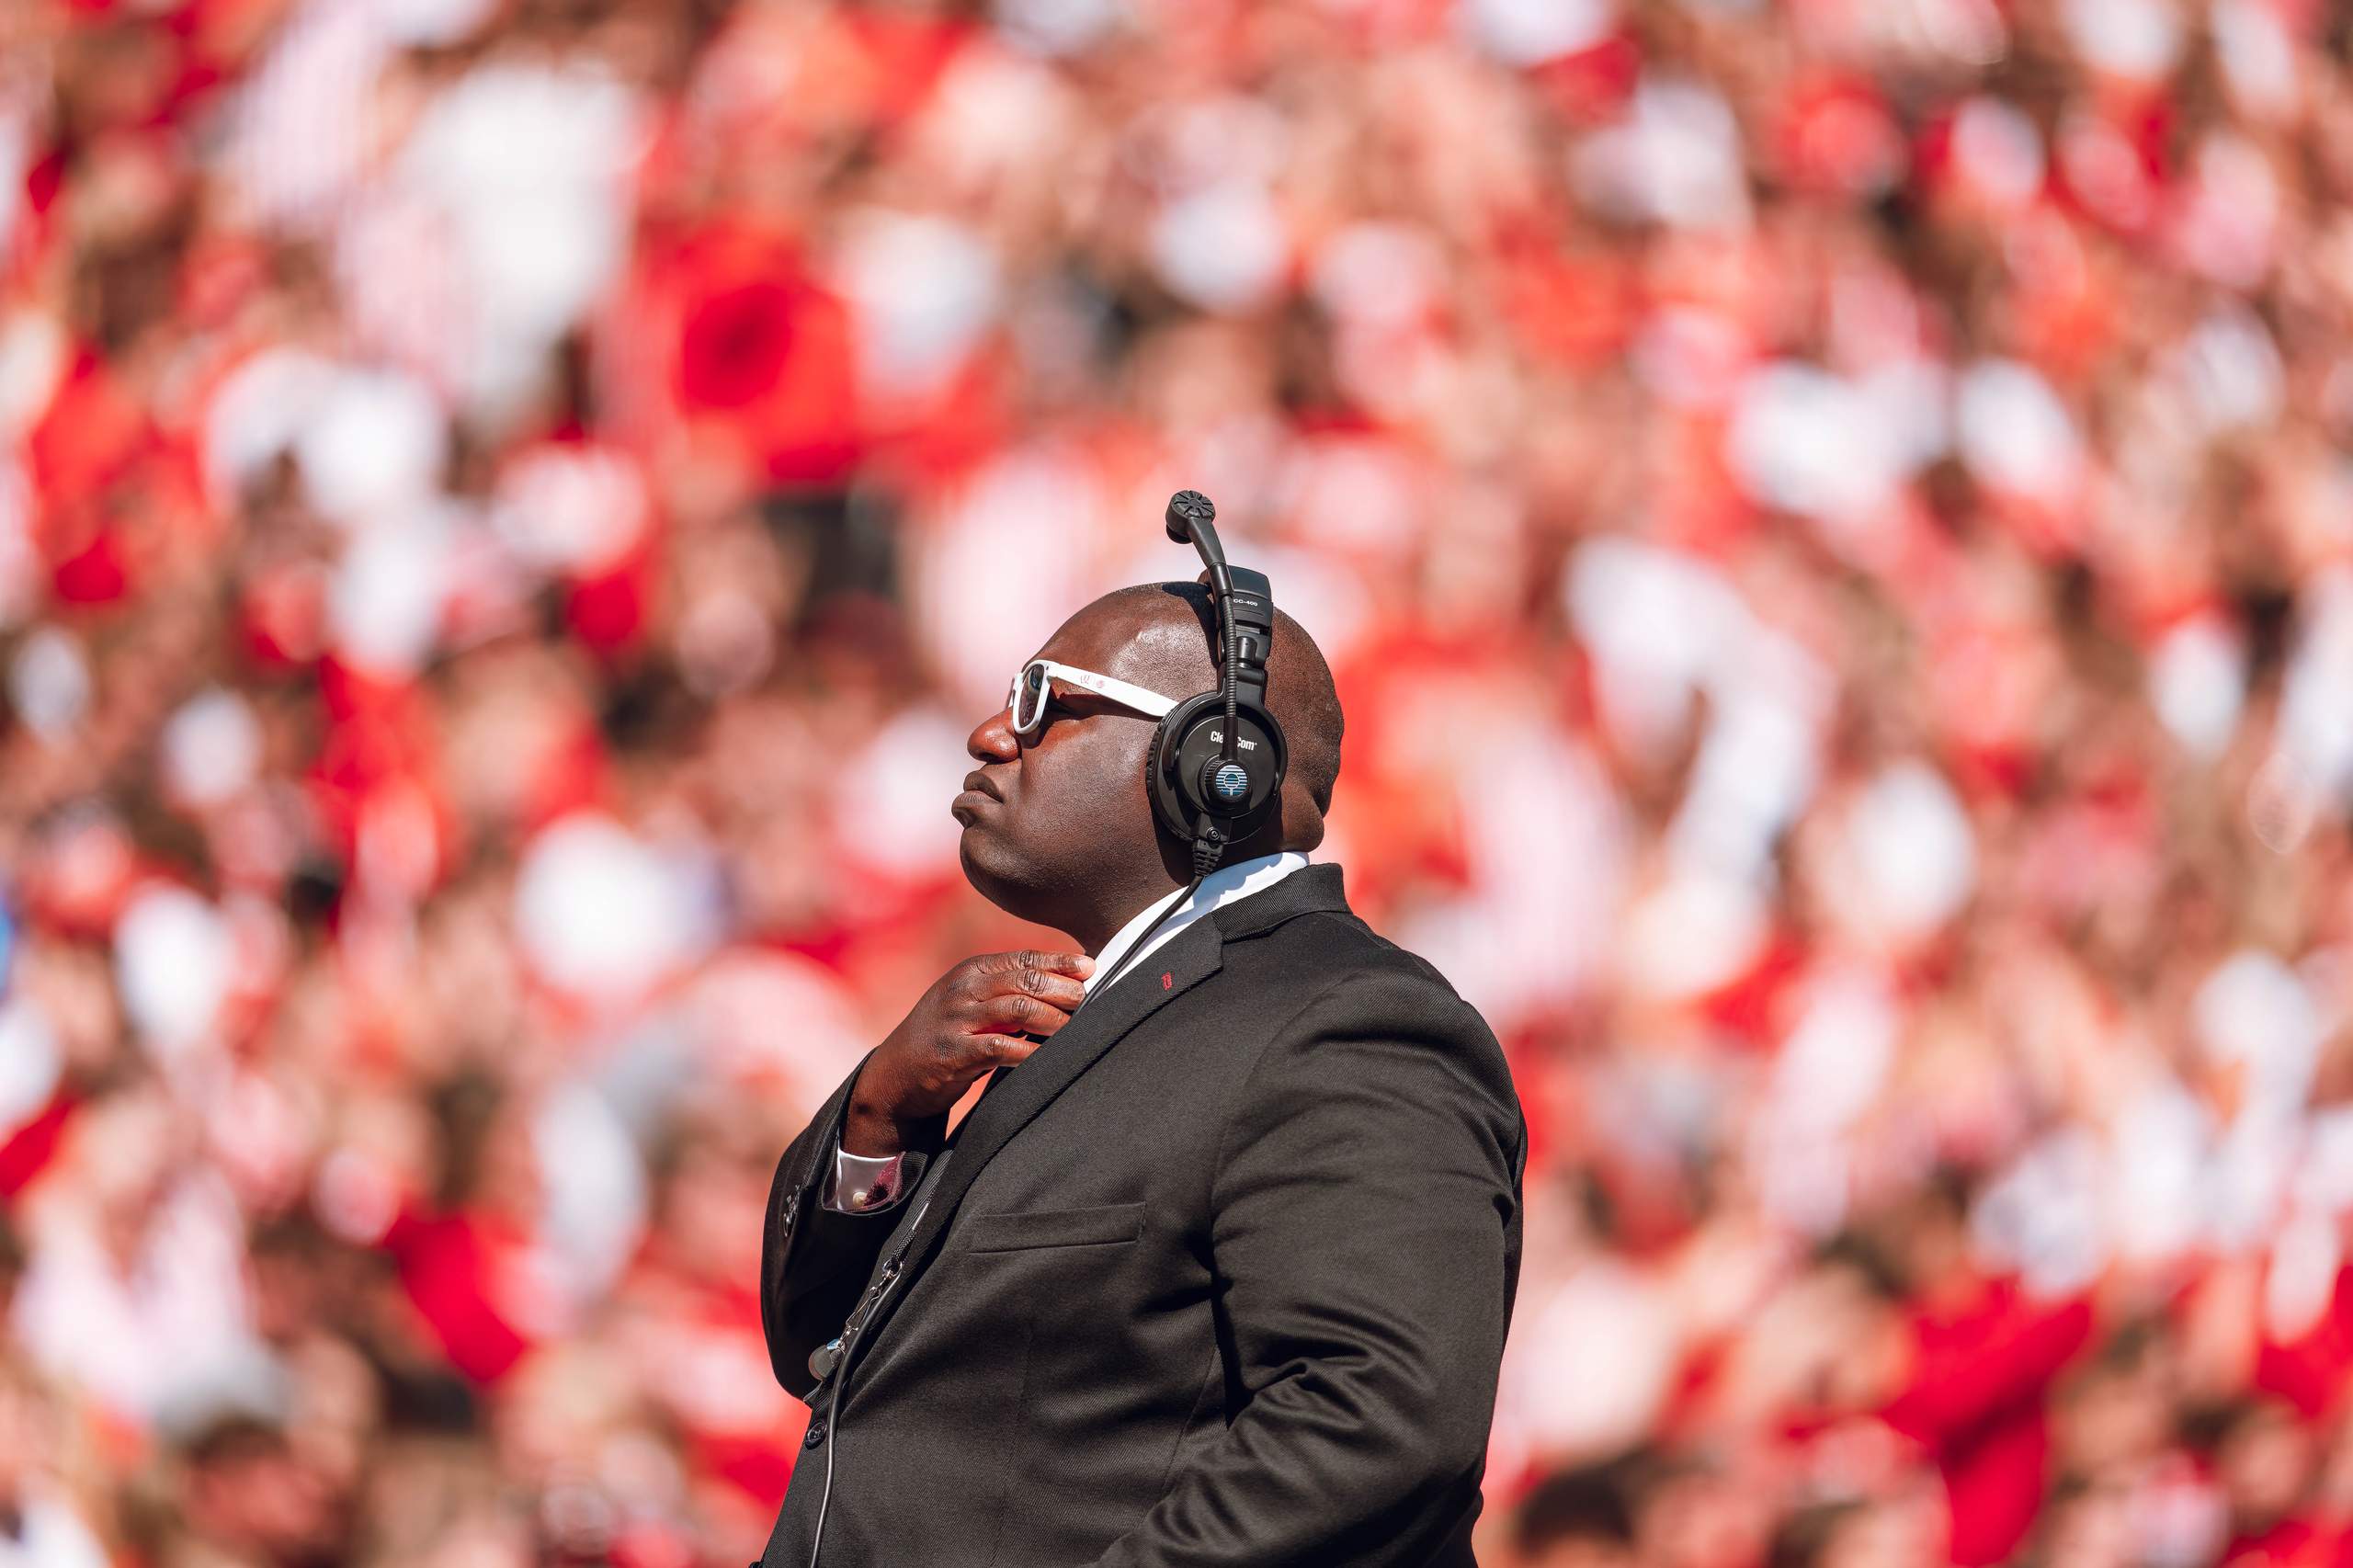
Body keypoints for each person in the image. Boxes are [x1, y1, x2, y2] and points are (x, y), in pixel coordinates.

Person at [753, 575, 1528, 1566]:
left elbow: (1378, 1418)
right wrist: (880, 1111)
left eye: (1045, 701)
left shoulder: (1345, 1020)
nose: (991, 734)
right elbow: (821, 1348)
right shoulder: (1102, 1020)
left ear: (1214, 756)